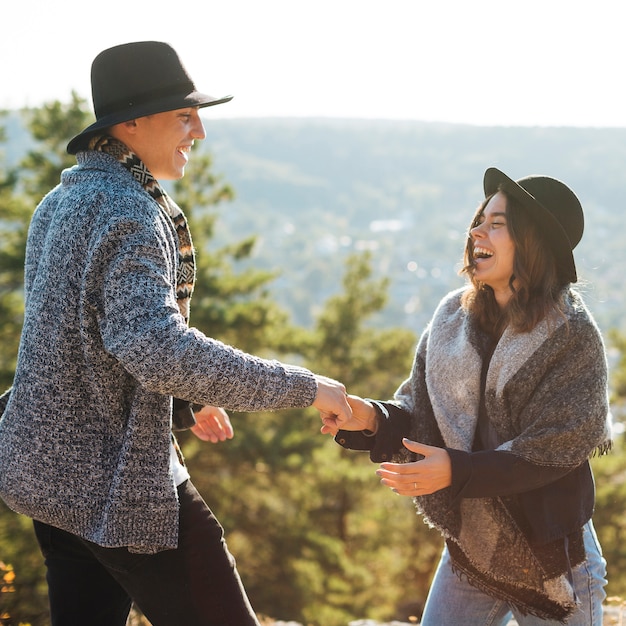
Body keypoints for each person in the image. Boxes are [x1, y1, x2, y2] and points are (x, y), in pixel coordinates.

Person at [0, 41, 351, 626]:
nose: (200, 132)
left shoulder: (61, 201)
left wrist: (186, 399)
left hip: (49, 475)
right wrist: (306, 387)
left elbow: (90, 338)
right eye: (185, 116)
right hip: (116, 488)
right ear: (130, 123)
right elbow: (154, 346)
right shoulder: (128, 211)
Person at [322, 167, 612, 625]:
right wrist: (372, 418)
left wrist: (457, 470)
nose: (476, 230)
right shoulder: (452, 318)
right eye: (480, 218)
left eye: (497, 224)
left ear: (532, 243)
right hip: (475, 548)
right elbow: (417, 410)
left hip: (555, 562)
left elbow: (552, 450)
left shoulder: (572, 336)